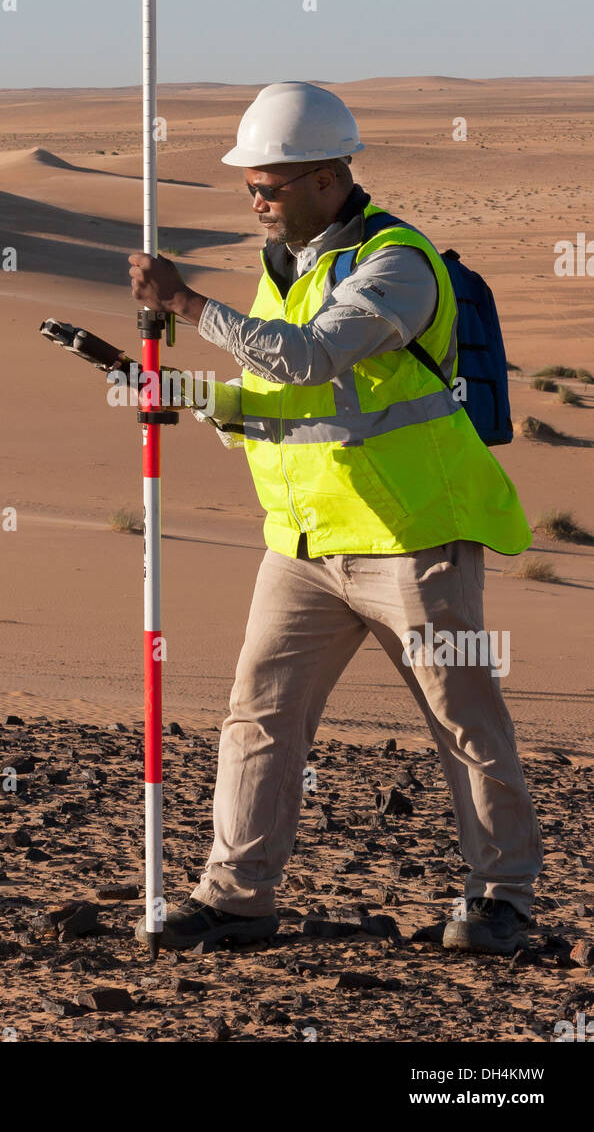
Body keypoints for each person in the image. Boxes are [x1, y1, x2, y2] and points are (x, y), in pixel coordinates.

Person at [128, 81, 542, 956]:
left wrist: (189, 306)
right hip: (305, 545)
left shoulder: (397, 264)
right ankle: (237, 898)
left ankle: (503, 899)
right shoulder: (283, 272)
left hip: (411, 539)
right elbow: (274, 393)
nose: (256, 200)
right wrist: (191, 394)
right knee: (259, 716)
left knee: (462, 719)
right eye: (250, 185)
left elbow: (309, 359)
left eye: (268, 187)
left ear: (326, 178)